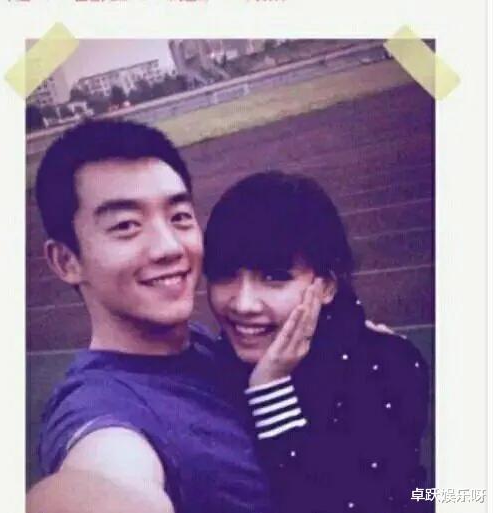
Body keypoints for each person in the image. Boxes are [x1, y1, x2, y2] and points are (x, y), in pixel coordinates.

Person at [27, 121, 275, 513]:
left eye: (179, 216)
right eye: (126, 225)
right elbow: (102, 482)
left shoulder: (200, 345)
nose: (169, 247)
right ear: (66, 261)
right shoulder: (102, 411)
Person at [204, 171, 432, 513]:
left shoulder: (386, 367)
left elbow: (377, 501)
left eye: (274, 277)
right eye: (225, 274)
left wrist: (270, 391)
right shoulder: (208, 372)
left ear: (325, 286)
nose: (243, 304)